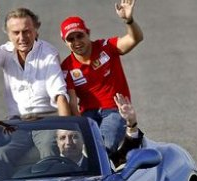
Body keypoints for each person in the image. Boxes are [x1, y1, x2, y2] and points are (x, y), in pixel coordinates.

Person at [0, 1, 71, 176]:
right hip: (16, 124)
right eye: (16, 33)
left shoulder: (48, 53)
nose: (22, 37)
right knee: (0, 154)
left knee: (49, 151)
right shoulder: (6, 51)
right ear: (9, 35)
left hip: (46, 121)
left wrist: (66, 129)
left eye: (26, 31)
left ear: (36, 30)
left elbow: (60, 95)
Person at [60, 0, 143, 154]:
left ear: (88, 33)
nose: (77, 42)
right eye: (71, 39)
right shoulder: (67, 67)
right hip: (88, 115)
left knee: (103, 146)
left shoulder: (107, 47)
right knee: (81, 150)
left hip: (115, 110)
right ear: (64, 42)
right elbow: (72, 103)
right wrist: (80, 128)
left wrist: (129, 20)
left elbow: (134, 39)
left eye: (80, 36)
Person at [109, 93, 144, 169]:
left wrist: (131, 122)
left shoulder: (99, 161)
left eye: (76, 137)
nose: (75, 143)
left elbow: (127, 152)